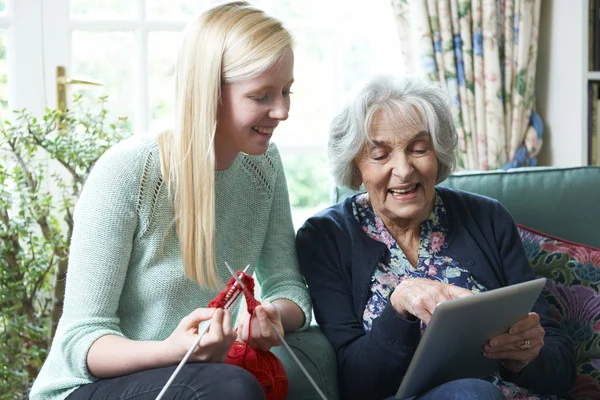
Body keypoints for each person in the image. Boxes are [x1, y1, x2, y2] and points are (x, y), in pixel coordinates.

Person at [30, 2, 312, 399]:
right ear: (210, 92)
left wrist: (269, 316)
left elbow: (288, 286)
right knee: (230, 387)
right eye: (262, 95)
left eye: (286, 91)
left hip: (198, 379)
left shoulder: (263, 165)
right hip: (89, 387)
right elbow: (81, 340)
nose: (282, 111)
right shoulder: (131, 172)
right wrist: (172, 350)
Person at [296, 74, 575, 400]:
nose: (403, 170)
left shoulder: (488, 218)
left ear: (438, 153)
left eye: (418, 149)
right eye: (380, 154)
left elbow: (562, 365)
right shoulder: (326, 237)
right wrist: (399, 306)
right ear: (356, 166)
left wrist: (527, 356)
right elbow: (356, 383)